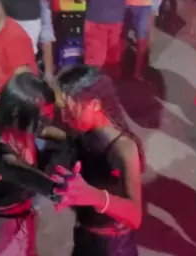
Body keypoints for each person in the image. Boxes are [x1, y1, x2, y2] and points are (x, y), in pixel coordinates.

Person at [0, 72, 70, 255]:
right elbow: (41, 183)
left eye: (49, 116)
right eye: (41, 118)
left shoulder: (21, 130)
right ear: (17, 115)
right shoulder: (0, 155)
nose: (46, 123)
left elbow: (58, 136)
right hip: (1, 232)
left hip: (18, 221)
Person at [56, 65, 143, 255]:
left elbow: (135, 216)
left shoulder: (123, 148)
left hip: (113, 247)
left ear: (95, 104)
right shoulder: (82, 131)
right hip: (85, 236)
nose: (64, 118)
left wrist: (92, 196)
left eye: (70, 110)